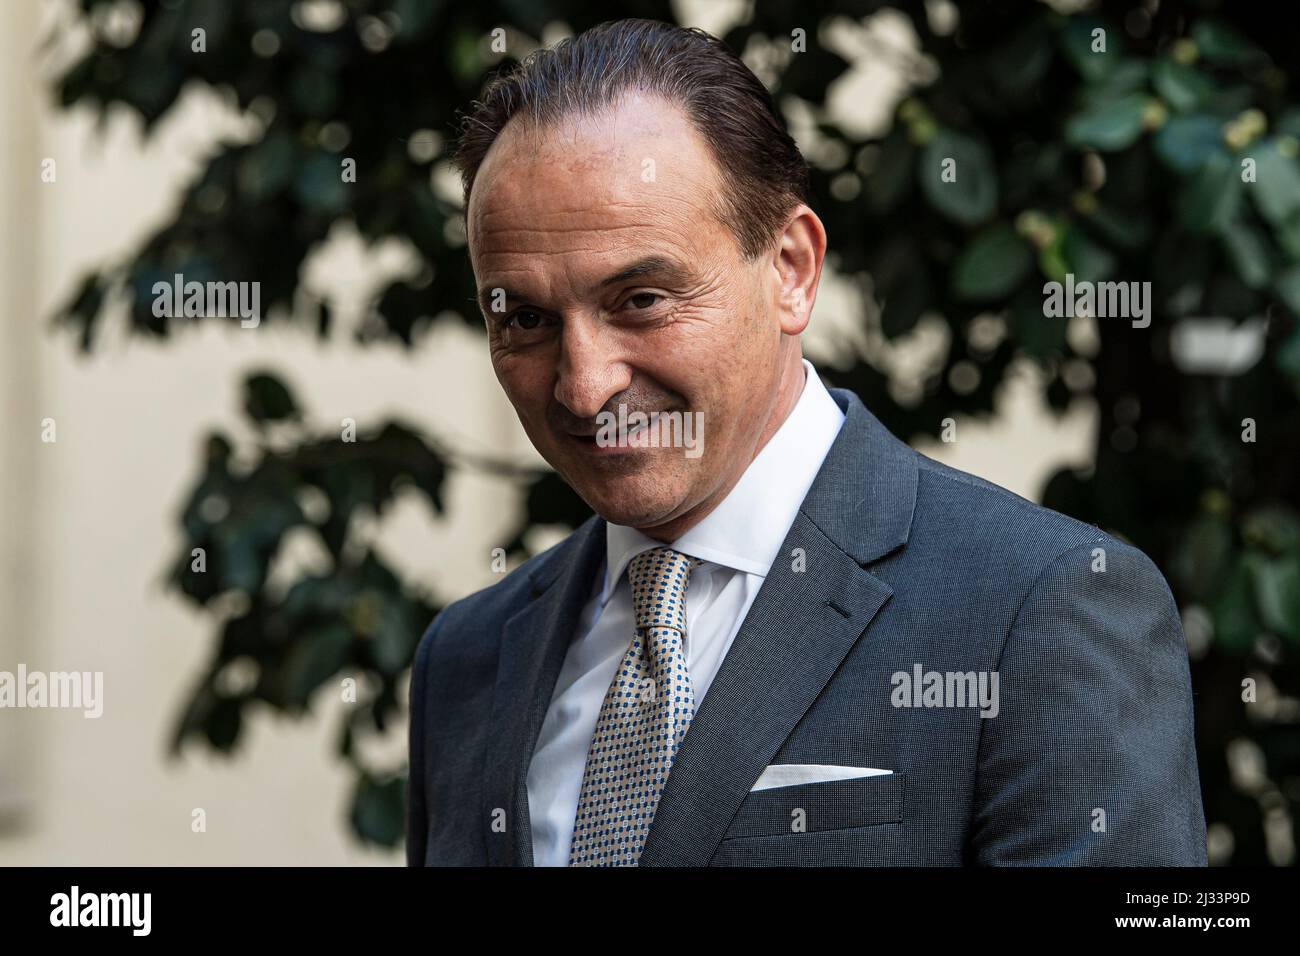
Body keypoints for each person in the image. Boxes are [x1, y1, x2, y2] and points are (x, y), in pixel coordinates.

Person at [406, 18, 1206, 866]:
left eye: (640, 299)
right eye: (525, 318)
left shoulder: (1039, 609)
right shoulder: (467, 659)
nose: (584, 384)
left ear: (791, 268)